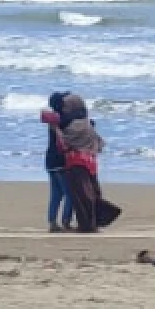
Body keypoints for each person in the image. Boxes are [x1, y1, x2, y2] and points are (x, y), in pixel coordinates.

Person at [58, 94, 121, 233]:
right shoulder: (88, 123)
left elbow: (64, 144)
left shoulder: (70, 126)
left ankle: (86, 225)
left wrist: (56, 130)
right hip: (90, 163)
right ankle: (94, 222)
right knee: (92, 194)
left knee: (81, 196)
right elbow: (99, 143)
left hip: (76, 163)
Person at [41, 92, 74, 232]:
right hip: (60, 160)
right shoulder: (64, 119)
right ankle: (66, 221)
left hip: (50, 159)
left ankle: (52, 222)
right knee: (70, 193)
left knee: (56, 194)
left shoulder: (53, 119)